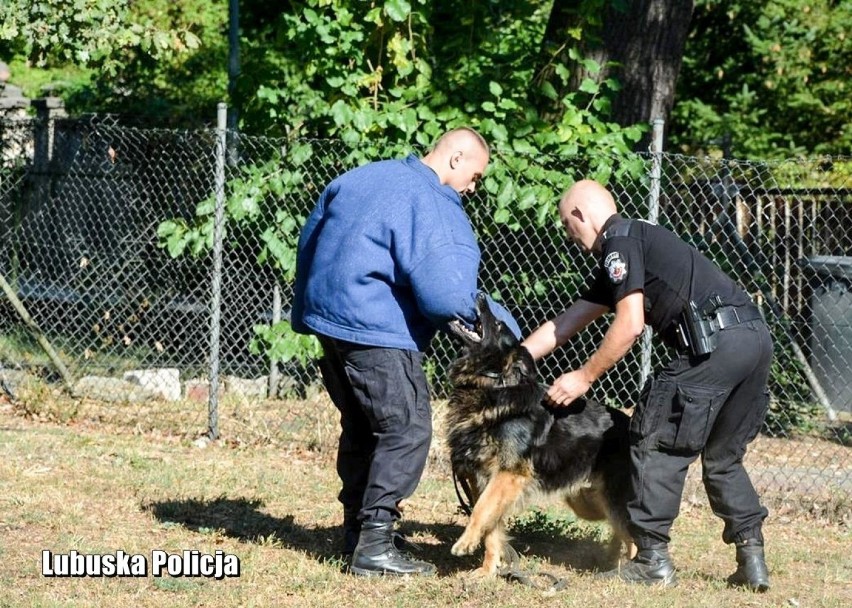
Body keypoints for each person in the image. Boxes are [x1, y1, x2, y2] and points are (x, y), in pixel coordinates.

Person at [522, 180, 772, 591]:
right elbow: (565, 324)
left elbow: (630, 323)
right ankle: (752, 561)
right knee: (724, 458)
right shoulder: (635, 244)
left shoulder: (618, 242)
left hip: (715, 347)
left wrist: (583, 377)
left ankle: (651, 561)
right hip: (752, 340)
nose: (572, 238)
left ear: (581, 216)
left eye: (570, 227)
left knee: (655, 441)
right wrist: (515, 358)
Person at [291, 127, 520, 577]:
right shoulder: (433, 201)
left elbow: (310, 239)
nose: (473, 188)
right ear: (455, 159)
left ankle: (357, 534)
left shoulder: (361, 177)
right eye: (474, 176)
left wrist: (306, 309)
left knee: (363, 426)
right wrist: (502, 328)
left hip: (329, 319)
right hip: (376, 327)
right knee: (407, 428)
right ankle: (376, 543)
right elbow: (448, 296)